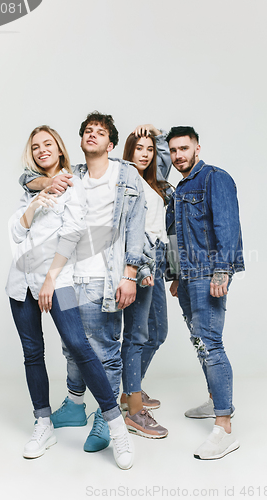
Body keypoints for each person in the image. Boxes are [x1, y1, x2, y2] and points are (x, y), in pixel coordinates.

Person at [19, 113, 148, 454]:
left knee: (102, 349)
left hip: (103, 276)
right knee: (73, 348)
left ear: (111, 142)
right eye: (87, 131)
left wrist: (130, 273)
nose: (92, 135)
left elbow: (136, 224)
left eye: (100, 132)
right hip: (66, 275)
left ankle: (107, 418)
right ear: (78, 141)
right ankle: (75, 405)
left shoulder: (125, 175)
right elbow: (27, 178)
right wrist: (43, 184)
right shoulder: (70, 175)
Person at [165, 126, 244, 460]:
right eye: (173, 150)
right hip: (186, 277)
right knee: (200, 341)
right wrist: (173, 274)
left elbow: (227, 225)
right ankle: (215, 401)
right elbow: (174, 235)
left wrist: (222, 271)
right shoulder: (179, 188)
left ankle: (223, 427)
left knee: (211, 344)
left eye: (185, 148)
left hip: (208, 274)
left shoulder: (214, 178)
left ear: (197, 148)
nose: (179, 155)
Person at [119, 124, 172, 438]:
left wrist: (156, 133)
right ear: (129, 152)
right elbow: (130, 233)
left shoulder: (153, 182)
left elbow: (163, 158)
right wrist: (140, 270)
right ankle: (134, 408)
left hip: (158, 262)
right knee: (137, 335)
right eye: (139, 148)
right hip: (141, 264)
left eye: (149, 149)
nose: (146, 154)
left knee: (158, 332)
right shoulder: (126, 183)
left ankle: (131, 388)